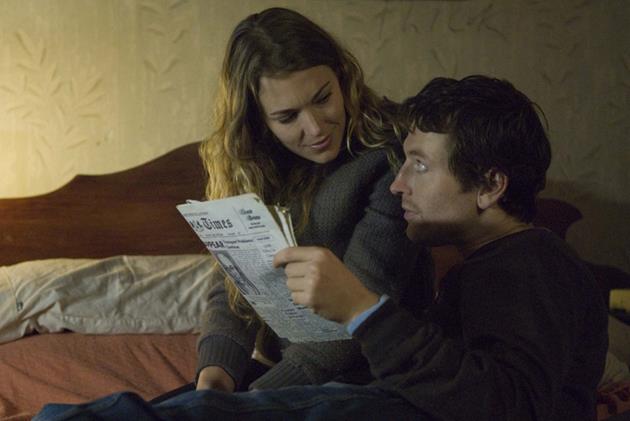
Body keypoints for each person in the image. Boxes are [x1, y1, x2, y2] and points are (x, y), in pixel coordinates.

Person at [33, 75, 608, 420]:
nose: (399, 184)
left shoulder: (533, 263)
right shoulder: (489, 266)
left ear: (489, 185)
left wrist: (363, 310)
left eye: (419, 165)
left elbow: (510, 407)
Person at [186, 7, 434, 394]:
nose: (315, 128)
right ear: (258, 122)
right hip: (276, 374)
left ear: (343, 77)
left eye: (323, 98)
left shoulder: (389, 159)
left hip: (365, 381)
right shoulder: (253, 166)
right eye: (288, 117)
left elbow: (357, 316)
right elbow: (236, 289)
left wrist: (254, 401)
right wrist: (214, 377)